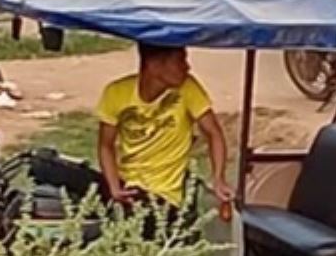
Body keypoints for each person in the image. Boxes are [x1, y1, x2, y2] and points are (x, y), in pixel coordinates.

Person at [96, 43, 233, 215]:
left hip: (164, 198)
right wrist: (114, 187)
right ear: (154, 65)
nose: (187, 67)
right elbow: (105, 145)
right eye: (180, 61)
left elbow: (214, 133)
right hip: (127, 186)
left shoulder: (188, 88)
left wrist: (219, 178)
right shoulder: (116, 93)